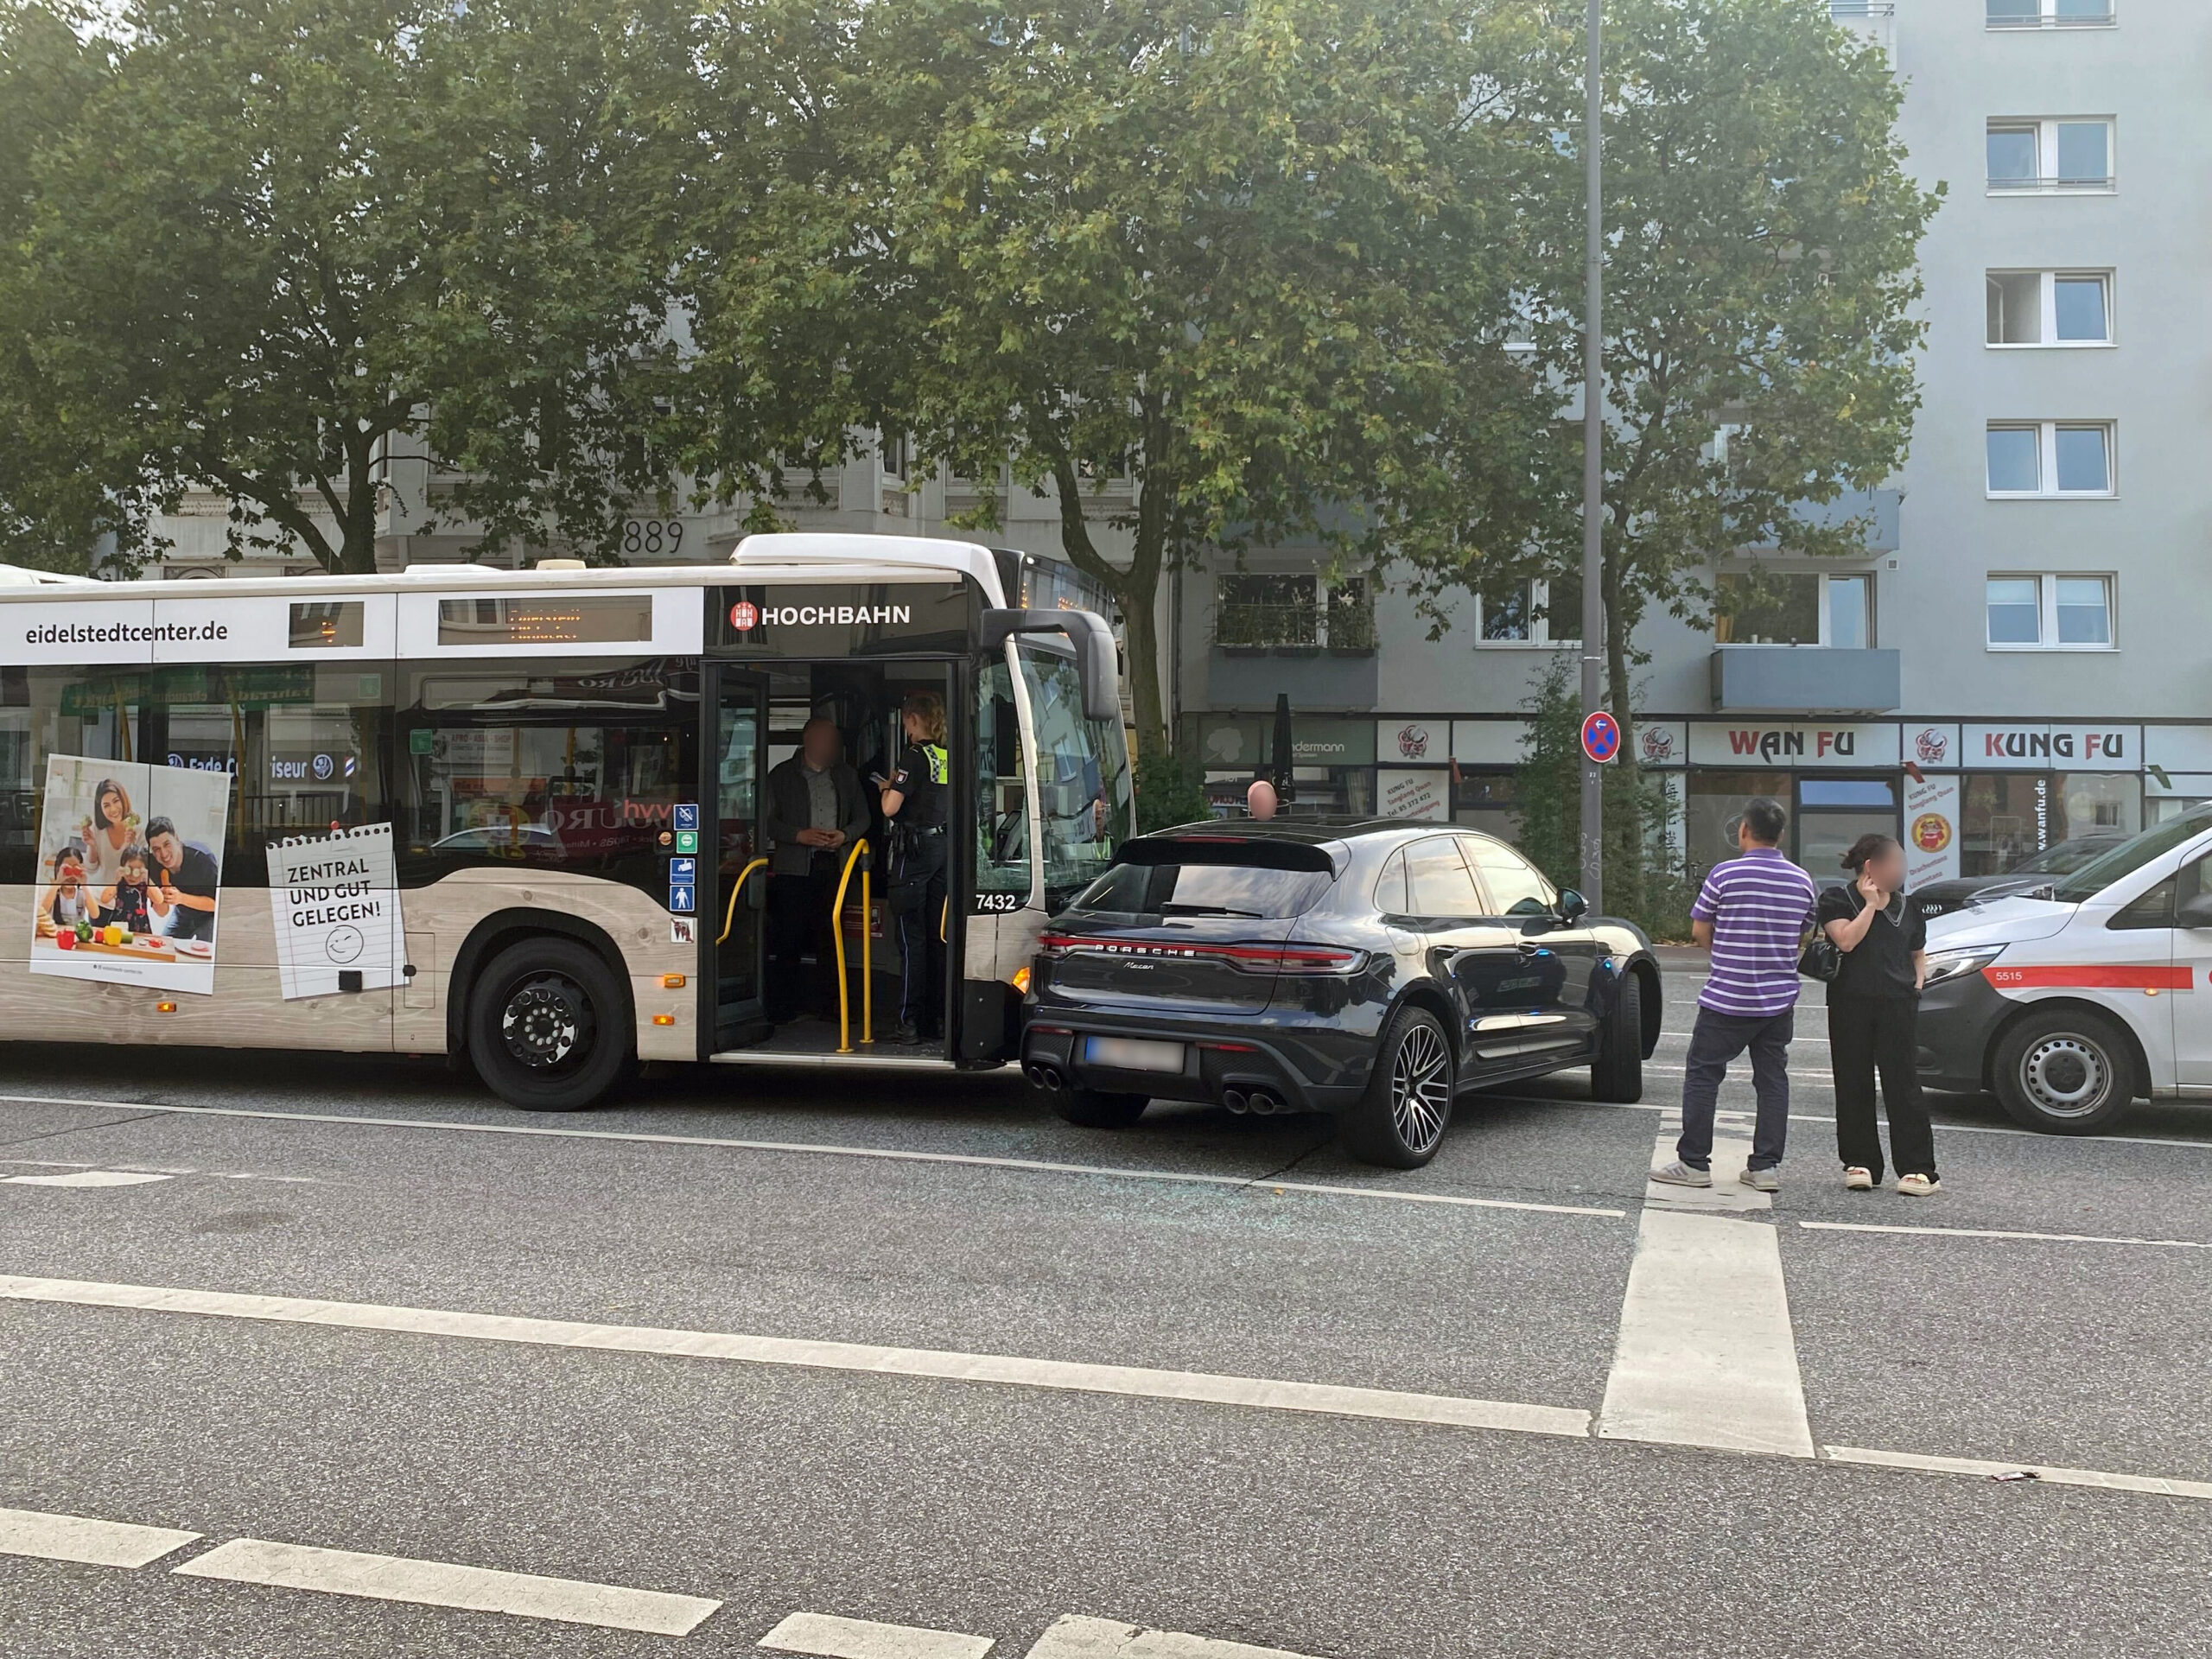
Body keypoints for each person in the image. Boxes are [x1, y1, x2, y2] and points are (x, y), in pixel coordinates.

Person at [1652, 798, 1818, 1193]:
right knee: (1773, 1079)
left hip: (1727, 996)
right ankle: (1764, 1167)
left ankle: (1694, 1163)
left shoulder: (1724, 875)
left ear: (1744, 830)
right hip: (1778, 1000)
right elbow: (1802, 932)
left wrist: (1727, 954)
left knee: (1704, 1075)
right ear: (1779, 835)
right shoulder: (1801, 880)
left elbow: (1699, 929)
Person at [1821, 833, 1941, 1196]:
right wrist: (1870, 906)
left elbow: (1917, 952)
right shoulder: (1836, 899)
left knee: (1903, 1084)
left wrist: (1917, 984)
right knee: (1853, 1082)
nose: (1902, 870)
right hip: (1850, 1002)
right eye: (1895, 862)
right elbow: (1846, 941)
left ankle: (1918, 1169)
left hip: (1898, 1004)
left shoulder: (1909, 906)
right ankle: (1860, 1163)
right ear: (1871, 866)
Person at [762, 717, 870, 1023]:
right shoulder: (782, 776)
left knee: (831, 937)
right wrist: (798, 836)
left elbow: (864, 818)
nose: (832, 747)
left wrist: (845, 835)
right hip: (793, 868)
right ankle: (783, 1008)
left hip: (833, 866)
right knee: (789, 936)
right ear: (809, 741)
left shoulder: (847, 776)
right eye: (827, 740)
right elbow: (766, 821)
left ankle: (831, 1008)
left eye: (835, 741)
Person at [879, 690, 950, 1045]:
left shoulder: (914, 754)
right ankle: (934, 1020)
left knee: (911, 938)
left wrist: (888, 785)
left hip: (915, 850)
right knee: (937, 939)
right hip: (941, 850)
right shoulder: (945, 755)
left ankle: (907, 1022)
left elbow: (890, 808)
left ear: (911, 719)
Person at [145, 817, 219, 943]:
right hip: (182, 915)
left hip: (209, 916)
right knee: (165, 948)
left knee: (203, 954)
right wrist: (160, 895)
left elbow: (216, 904)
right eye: (156, 849)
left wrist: (181, 898)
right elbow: (162, 913)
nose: (163, 854)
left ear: (177, 839)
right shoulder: (153, 863)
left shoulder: (202, 858)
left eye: (167, 844)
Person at [79, 778, 136, 881]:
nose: (113, 809)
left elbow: (140, 871)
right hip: (104, 890)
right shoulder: (97, 829)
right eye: (106, 806)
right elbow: (91, 869)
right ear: (101, 809)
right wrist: (92, 845)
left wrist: (130, 846)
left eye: (116, 801)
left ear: (123, 800)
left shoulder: (138, 831)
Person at [97, 842, 156, 934]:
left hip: (140, 925)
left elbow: (159, 899)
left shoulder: (145, 884)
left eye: (137, 871)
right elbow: (104, 899)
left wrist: (149, 880)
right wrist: (115, 880)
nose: (132, 876)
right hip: (119, 924)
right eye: (129, 869)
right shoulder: (120, 881)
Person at [37, 844, 92, 938]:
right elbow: (43, 912)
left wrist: (84, 885)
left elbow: (95, 914)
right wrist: (58, 881)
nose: (70, 876)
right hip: (57, 937)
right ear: (58, 870)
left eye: (75, 869)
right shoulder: (52, 892)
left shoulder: (82, 893)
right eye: (67, 870)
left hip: (77, 938)